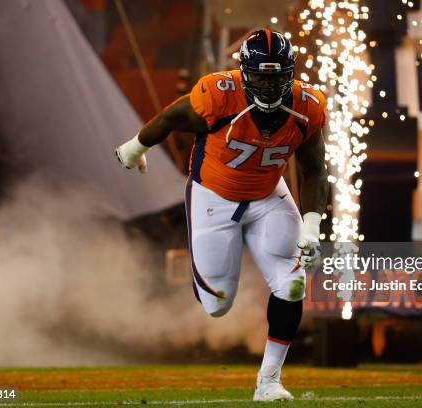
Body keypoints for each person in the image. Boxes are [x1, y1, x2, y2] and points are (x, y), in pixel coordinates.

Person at [115, 29, 328, 401]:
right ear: (245, 72)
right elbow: (169, 118)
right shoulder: (218, 96)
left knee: (293, 282)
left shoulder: (306, 106)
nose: (268, 84)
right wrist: (135, 148)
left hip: (268, 197)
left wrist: (311, 226)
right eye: (261, 75)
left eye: (277, 75)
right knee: (217, 305)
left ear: (290, 73)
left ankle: (269, 383)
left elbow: (315, 169)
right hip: (215, 197)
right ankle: (213, 270)